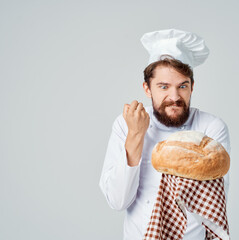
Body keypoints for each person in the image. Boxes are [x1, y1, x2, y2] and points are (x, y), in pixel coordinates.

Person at [99, 29, 231, 240]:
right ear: (147, 89)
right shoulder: (126, 125)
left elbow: (210, 201)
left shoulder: (210, 128)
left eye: (182, 86)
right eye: (164, 87)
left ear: (192, 87)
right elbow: (117, 201)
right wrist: (135, 135)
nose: (174, 97)